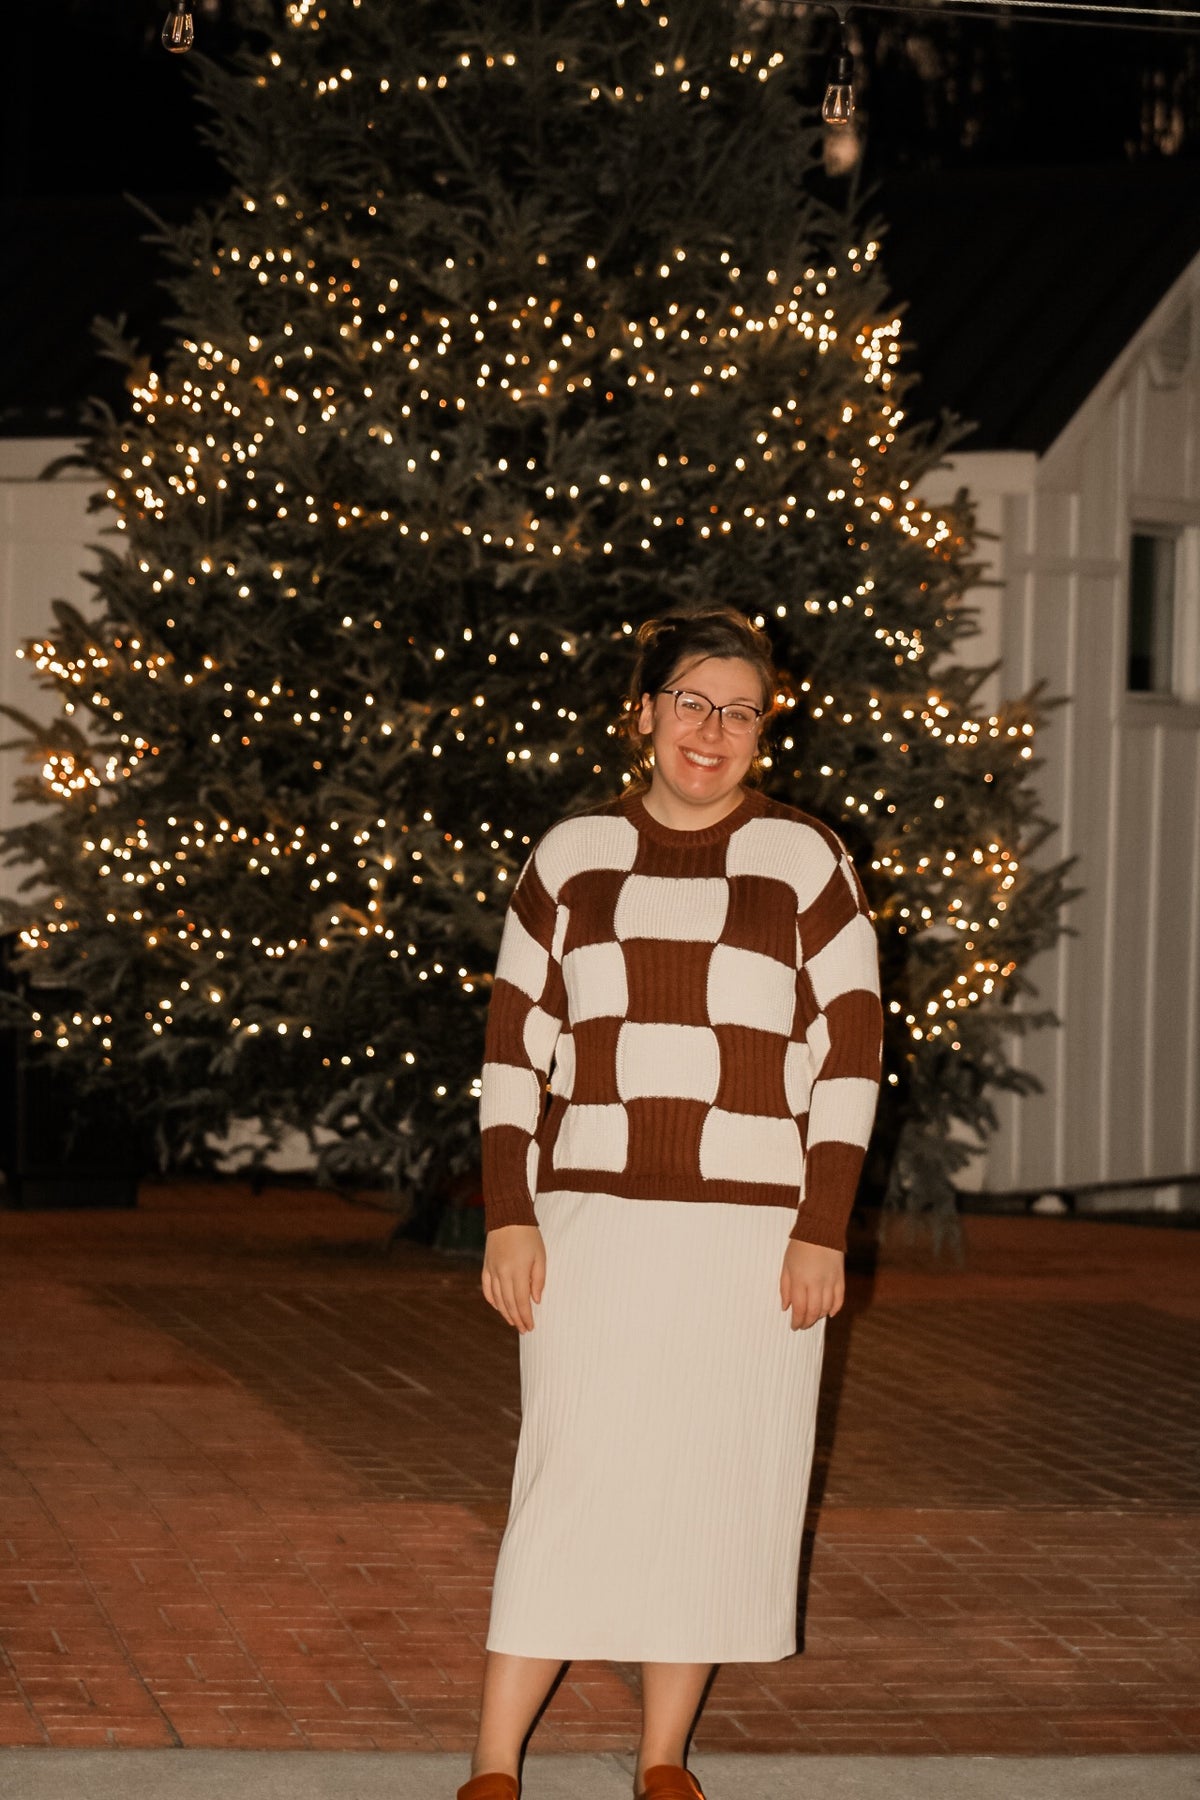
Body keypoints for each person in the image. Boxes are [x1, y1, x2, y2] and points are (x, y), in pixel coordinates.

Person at [460, 605, 883, 1800]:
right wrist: (509, 1210)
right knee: (570, 1472)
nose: (714, 731)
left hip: (754, 1233)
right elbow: (510, 1051)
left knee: (716, 1474)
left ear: (763, 732)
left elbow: (850, 1056)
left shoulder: (807, 861)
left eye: (741, 712)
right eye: (692, 702)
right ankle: (495, 1760)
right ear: (644, 710)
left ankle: (662, 1754)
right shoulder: (570, 857)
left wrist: (820, 1225)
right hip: (590, 1223)